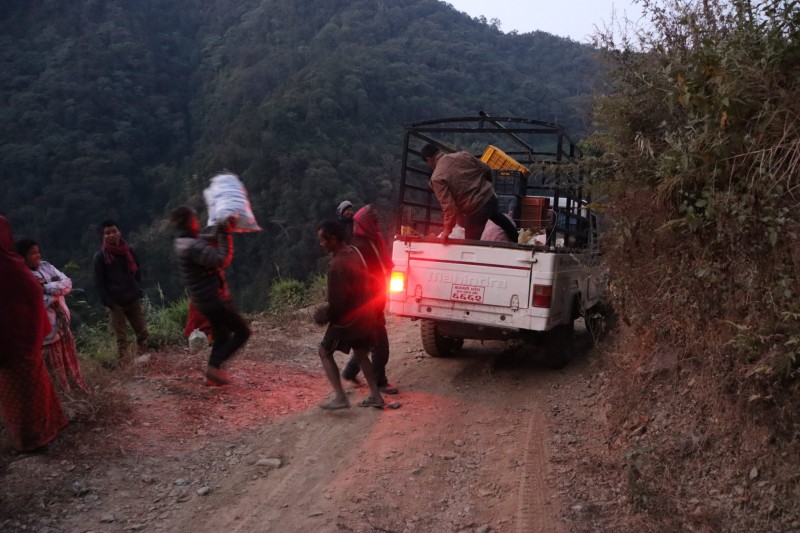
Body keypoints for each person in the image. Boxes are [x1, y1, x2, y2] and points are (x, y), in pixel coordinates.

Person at [0, 216, 68, 453]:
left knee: (24, 390)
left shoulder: (11, 262)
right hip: (16, 341)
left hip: (20, 339)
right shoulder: (8, 266)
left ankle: (40, 432)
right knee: (28, 393)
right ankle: (35, 440)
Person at [169, 206, 251, 385]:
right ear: (189, 222)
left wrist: (221, 230)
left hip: (203, 300)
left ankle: (212, 374)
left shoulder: (184, 242)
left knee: (222, 335)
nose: (197, 221)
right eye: (194, 218)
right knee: (243, 332)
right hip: (214, 299)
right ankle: (214, 368)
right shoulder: (194, 246)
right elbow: (222, 259)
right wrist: (226, 234)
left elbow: (208, 240)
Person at [314, 220, 384, 409]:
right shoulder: (355, 252)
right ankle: (376, 395)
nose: (321, 244)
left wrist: (325, 316)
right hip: (365, 314)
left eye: (322, 240)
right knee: (361, 354)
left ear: (333, 239)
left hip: (349, 321)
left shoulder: (337, 265)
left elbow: (338, 303)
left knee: (324, 352)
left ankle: (340, 398)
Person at [15, 239, 87, 392]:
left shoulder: (46, 266)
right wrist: (56, 290)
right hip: (48, 335)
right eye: (32, 253)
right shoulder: (22, 277)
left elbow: (67, 283)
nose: (37, 255)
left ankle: (79, 393)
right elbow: (39, 302)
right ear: (23, 257)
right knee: (57, 374)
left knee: (73, 367)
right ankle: (65, 399)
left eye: (38, 252)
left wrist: (45, 287)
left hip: (63, 327)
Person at [340, 205, 398, 394]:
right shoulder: (361, 247)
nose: (377, 225)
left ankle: (350, 371)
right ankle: (380, 382)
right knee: (381, 345)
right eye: (374, 222)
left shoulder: (370, 240)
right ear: (367, 224)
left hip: (372, 302)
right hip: (368, 304)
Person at [420, 143, 518, 243]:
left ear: (429, 159)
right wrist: (487, 187)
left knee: (470, 243)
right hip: (491, 198)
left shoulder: (437, 178)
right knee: (498, 218)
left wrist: (447, 230)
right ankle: (518, 241)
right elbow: (486, 169)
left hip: (476, 209)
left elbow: (449, 207)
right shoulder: (463, 155)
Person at [92, 220, 148, 361]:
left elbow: (137, 272)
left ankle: (144, 358)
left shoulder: (129, 251)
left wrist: (138, 289)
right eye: (107, 233)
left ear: (120, 232)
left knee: (142, 332)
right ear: (103, 236)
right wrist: (108, 302)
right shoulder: (100, 257)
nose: (112, 235)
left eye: (114, 231)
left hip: (132, 298)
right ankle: (125, 364)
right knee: (121, 338)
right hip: (115, 303)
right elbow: (99, 282)